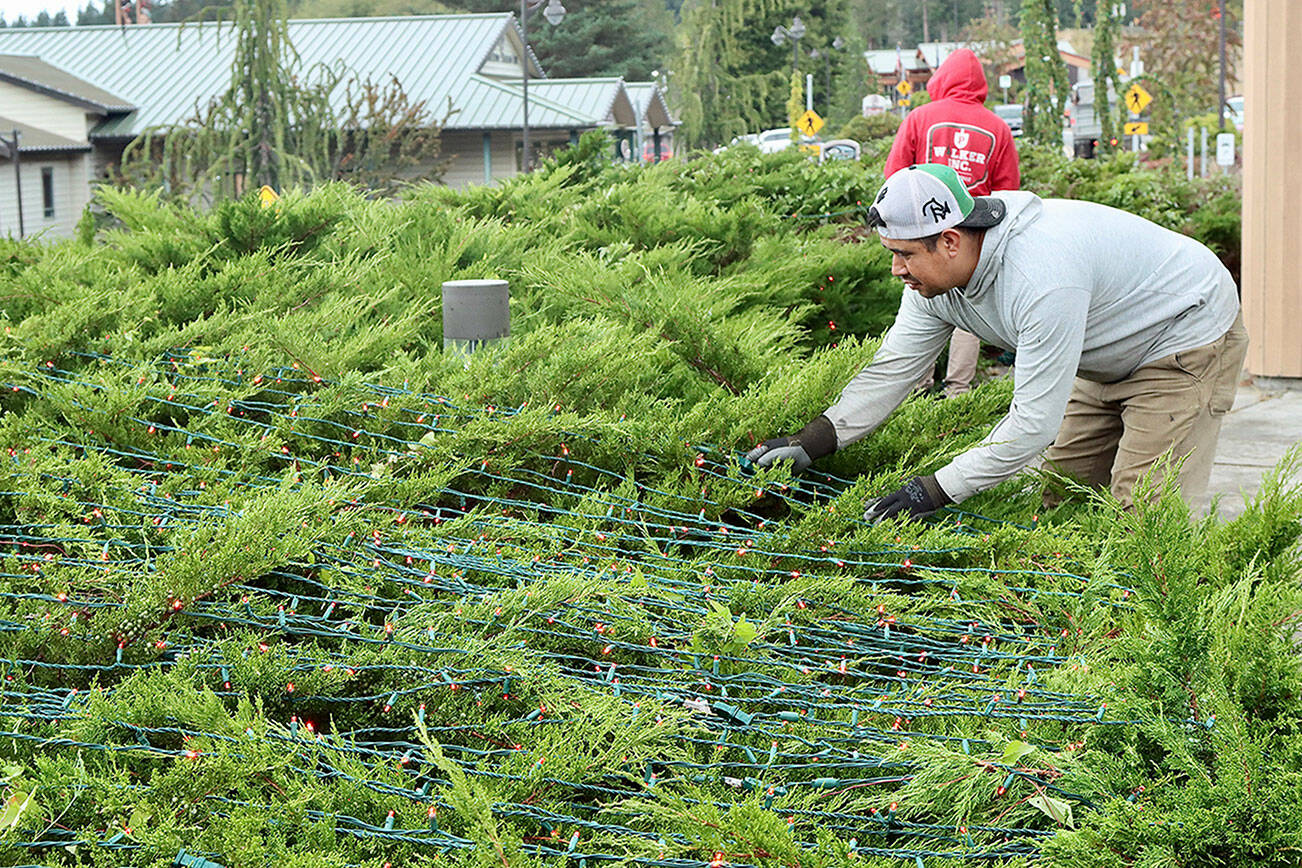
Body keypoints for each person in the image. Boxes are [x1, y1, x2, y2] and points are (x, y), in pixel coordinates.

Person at [746, 164, 1247, 522]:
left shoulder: (1041, 277)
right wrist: (812, 441)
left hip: (1183, 336)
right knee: (1062, 503)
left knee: (1145, 515)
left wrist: (936, 491)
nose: (896, 270)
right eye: (890, 254)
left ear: (949, 240)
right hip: (1104, 353)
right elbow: (892, 371)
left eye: (904, 255)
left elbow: (1032, 425)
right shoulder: (930, 283)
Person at [885, 47, 1020, 398]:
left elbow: (894, 176)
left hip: (922, 233)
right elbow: (1008, 192)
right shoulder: (998, 127)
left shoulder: (920, 117)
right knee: (970, 310)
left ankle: (915, 388)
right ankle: (958, 391)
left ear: (941, 77)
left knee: (920, 300)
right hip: (974, 238)